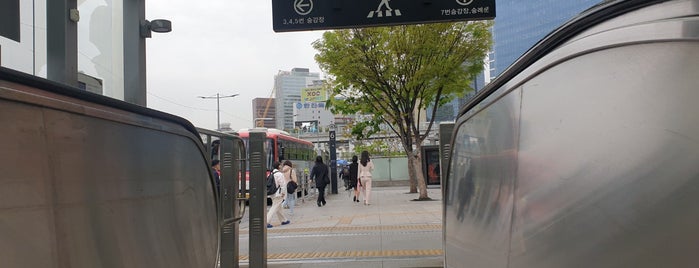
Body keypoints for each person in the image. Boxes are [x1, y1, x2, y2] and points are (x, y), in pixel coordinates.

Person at [267, 161, 290, 228]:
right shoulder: (279, 174)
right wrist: (283, 193)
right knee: (274, 208)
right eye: (281, 165)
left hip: (273, 193)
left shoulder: (271, 173)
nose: (281, 166)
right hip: (279, 194)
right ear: (279, 166)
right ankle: (266, 221)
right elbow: (282, 185)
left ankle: (284, 220)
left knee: (278, 207)